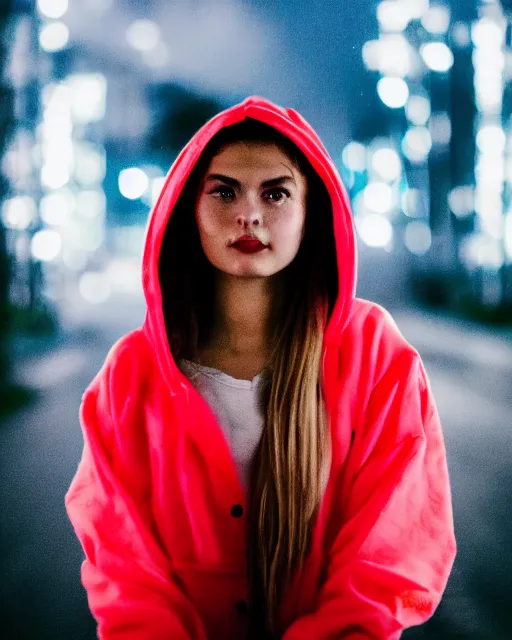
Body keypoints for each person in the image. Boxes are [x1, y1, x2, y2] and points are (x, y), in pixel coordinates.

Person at [65, 96, 456, 640]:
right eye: (224, 191)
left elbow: (393, 554)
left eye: (275, 193)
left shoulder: (376, 356)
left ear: (310, 213)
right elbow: (123, 565)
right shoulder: (131, 374)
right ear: (189, 210)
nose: (249, 213)